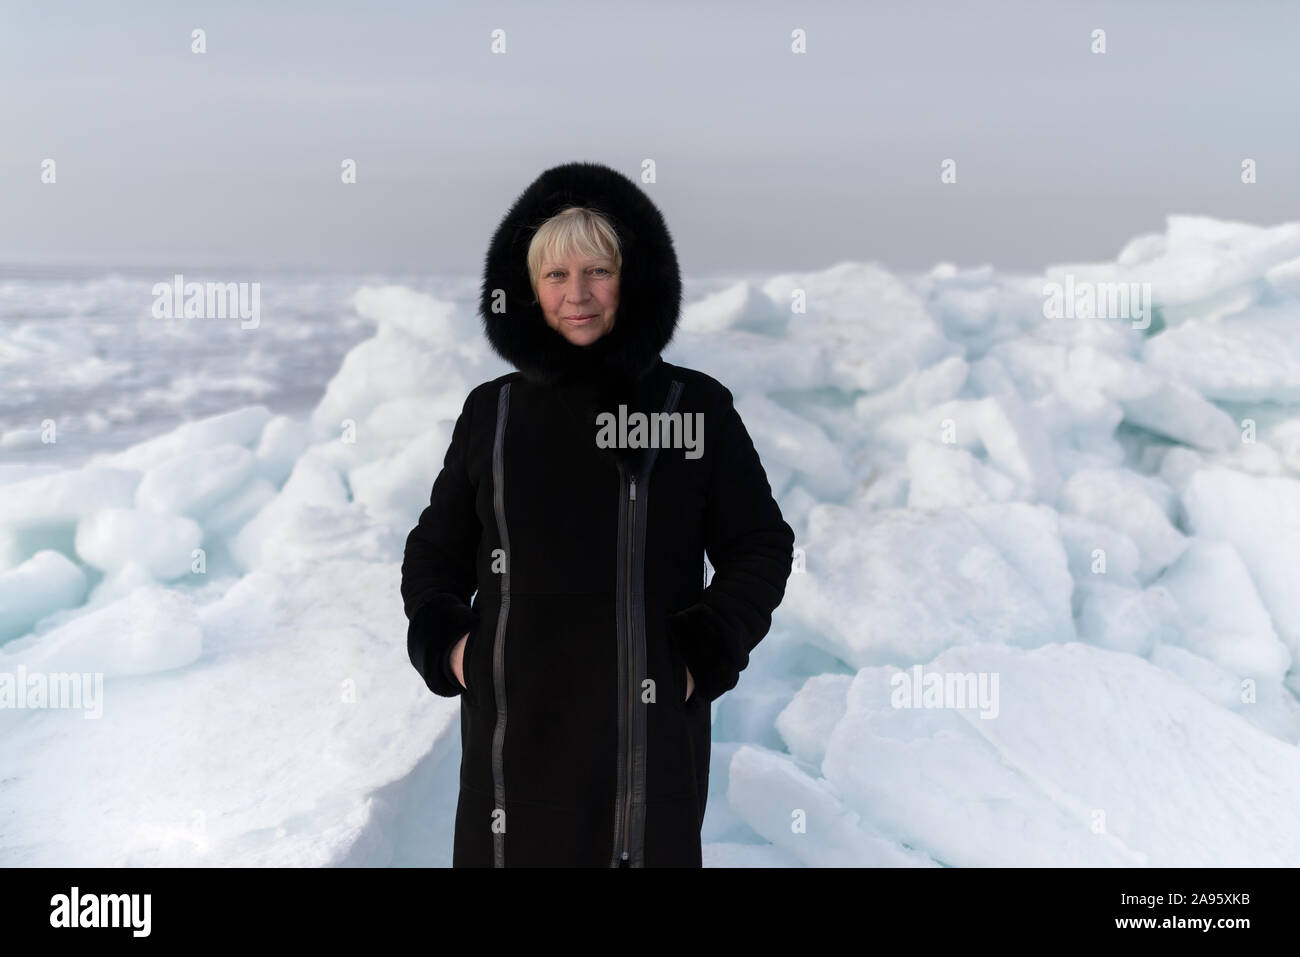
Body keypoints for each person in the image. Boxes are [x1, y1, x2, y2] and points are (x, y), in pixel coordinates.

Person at [400, 160, 795, 867]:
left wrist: (697, 654)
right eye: (555, 276)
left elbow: (760, 545)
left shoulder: (691, 408)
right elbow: (434, 552)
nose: (576, 295)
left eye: (598, 272)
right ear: (527, 288)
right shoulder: (494, 412)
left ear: (633, 279)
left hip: (646, 751)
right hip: (510, 751)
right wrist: (454, 649)